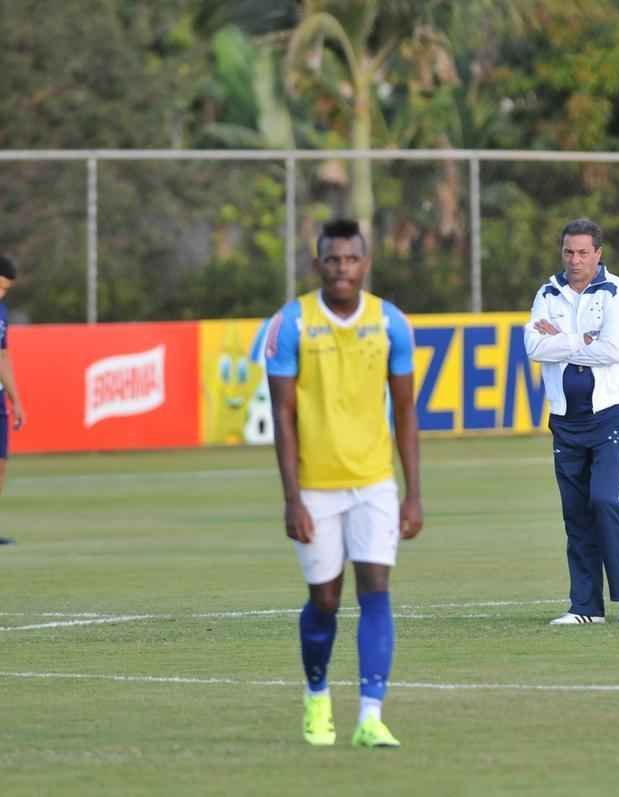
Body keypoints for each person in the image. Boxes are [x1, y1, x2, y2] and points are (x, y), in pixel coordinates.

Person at [265, 219, 423, 748]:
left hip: (375, 482)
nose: (342, 269)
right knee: (326, 599)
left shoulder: (391, 323)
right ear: (318, 264)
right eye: (333, 260)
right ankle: (316, 698)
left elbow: (405, 411)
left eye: (351, 260)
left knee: (376, 592)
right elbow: (283, 415)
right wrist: (292, 498)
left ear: (366, 263)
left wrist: (413, 492)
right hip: (315, 487)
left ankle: (371, 716)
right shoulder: (290, 324)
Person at [524, 218, 619, 625]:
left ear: (598, 254)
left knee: (605, 499)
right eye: (568, 252)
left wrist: (562, 341)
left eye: (582, 252)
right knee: (575, 512)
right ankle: (585, 607)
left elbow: (613, 349)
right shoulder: (548, 292)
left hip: (612, 412)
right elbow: (534, 345)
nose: (574, 260)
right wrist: (584, 340)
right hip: (565, 419)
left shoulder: (616, 292)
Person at [0, 255, 26, 514]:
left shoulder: (2, 312)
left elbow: (2, 356)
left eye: (5, 290)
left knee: (1, 464)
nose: (0, 294)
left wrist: (15, 399)